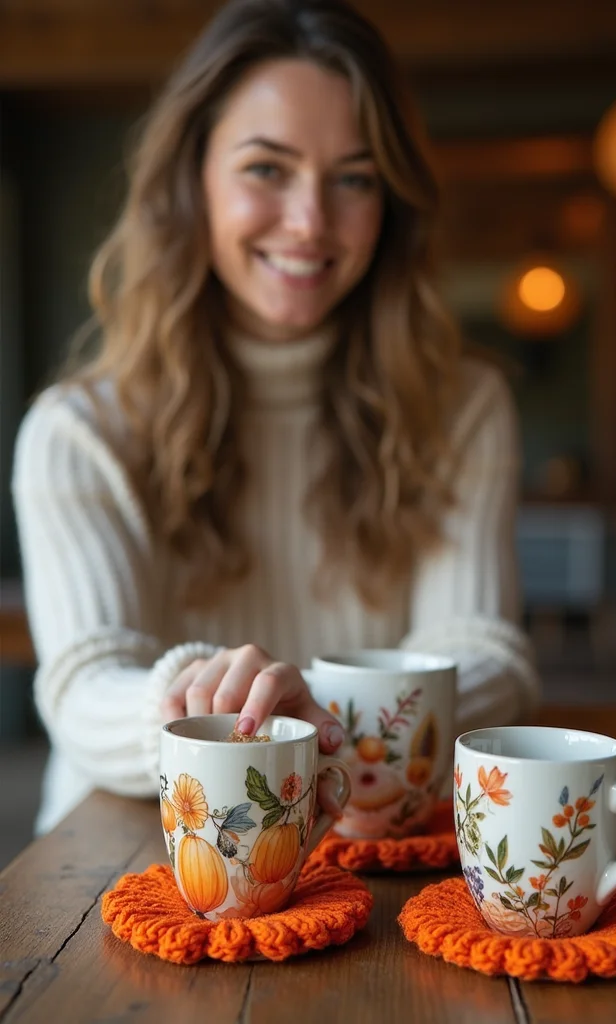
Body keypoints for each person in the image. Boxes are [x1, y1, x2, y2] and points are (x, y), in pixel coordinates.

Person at [12, 0, 540, 836]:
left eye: (354, 179)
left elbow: (486, 653)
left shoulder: (462, 407)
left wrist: (309, 715)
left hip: (374, 851)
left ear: (390, 204)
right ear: (193, 182)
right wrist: (208, 702)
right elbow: (83, 690)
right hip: (123, 857)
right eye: (267, 168)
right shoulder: (78, 433)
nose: (309, 222)